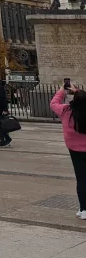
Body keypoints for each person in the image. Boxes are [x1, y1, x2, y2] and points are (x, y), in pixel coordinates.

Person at [52, 84, 86, 218]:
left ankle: (84, 209)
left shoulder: (66, 111)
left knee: (82, 178)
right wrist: (78, 91)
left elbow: (54, 103)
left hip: (75, 149)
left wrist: (61, 92)